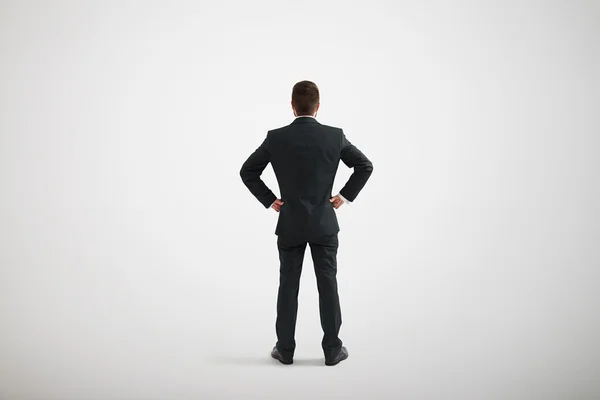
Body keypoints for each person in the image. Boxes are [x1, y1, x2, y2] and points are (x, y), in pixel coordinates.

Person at [239, 80, 373, 366]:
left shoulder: (275, 138)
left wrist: (270, 199)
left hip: (290, 224)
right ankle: (332, 350)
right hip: (324, 223)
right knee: (328, 284)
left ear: (292, 106)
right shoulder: (334, 136)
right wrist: (344, 196)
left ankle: (285, 350)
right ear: (318, 106)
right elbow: (365, 166)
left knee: (288, 285)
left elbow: (247, 171)